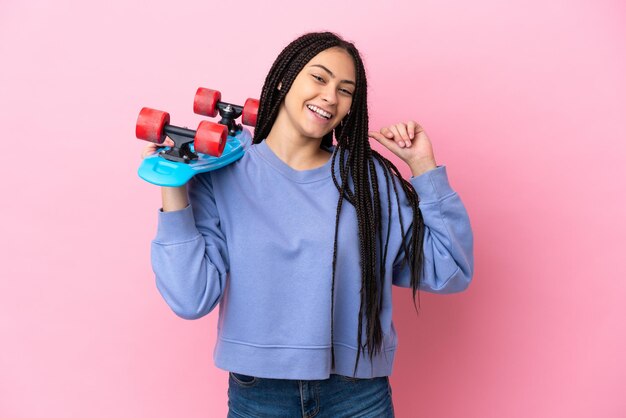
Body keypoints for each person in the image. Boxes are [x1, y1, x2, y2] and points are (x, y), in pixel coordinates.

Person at [141, 31, 473, 418]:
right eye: (319, 78)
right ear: (283, 79)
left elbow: (451, 271)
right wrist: (172, 184)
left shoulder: (368, 180)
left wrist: (423, 167)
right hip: (258, 395)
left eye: (345, 90)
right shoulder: (221, 175)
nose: (330, 96)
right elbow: (189, 298)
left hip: (357, 396)